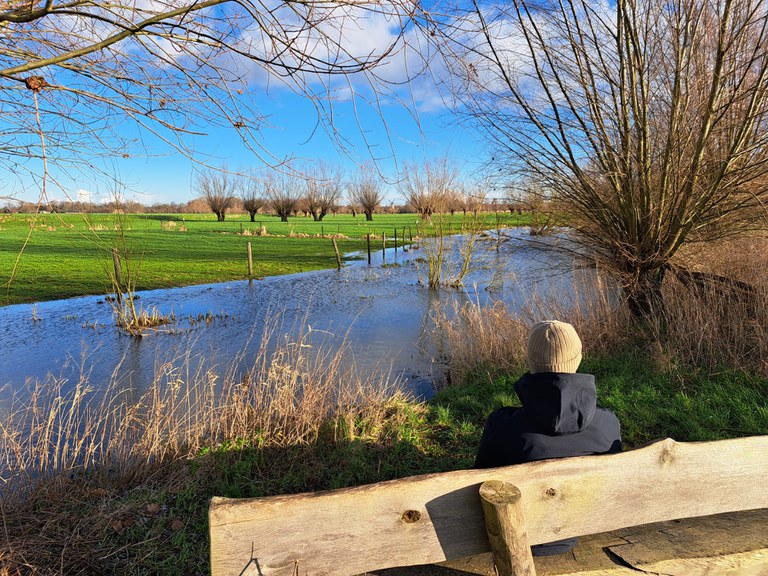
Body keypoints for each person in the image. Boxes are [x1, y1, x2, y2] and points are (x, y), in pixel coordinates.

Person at [474, 320, 622, 556]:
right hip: (579, 528)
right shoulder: (608, 425)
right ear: (578, 359)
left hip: (517, 533)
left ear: (531, 362)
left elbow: (480, 484)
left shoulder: (502, 425)